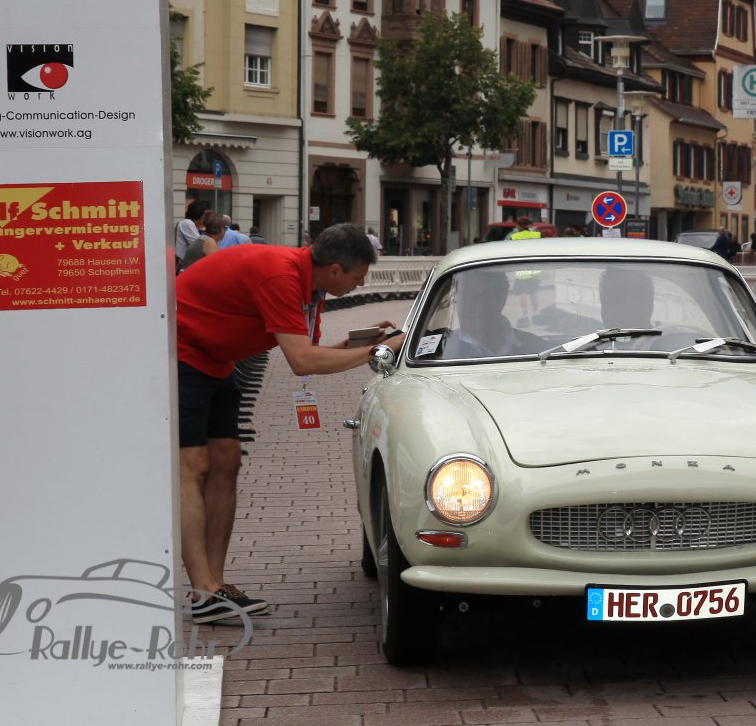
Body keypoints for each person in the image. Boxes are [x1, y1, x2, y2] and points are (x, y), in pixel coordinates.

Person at [175, 223, 395, 622]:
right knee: (193, 467)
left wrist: (350, 347)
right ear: (335, 269)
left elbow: (307, 349)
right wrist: (376, 353)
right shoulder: (281, 276)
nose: (361, 285)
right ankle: (202, 590)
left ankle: (215, 584)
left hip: (215, 360)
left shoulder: (311, 285)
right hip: (182, 353)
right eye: (359, 276)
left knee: (226, 461)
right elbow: (302, 362)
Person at [440, 268, 546, 358]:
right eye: (464, 297)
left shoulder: (538, 349)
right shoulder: (440, 351)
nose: (468, 307)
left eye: (478, 298)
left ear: (501, 299)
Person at [175, 200, 208, 267]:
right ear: (200, 214)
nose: (204, 216)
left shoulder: (189, 223)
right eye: (204, 214)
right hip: (184, 263)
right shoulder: (187, 223)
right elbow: (198, 243)